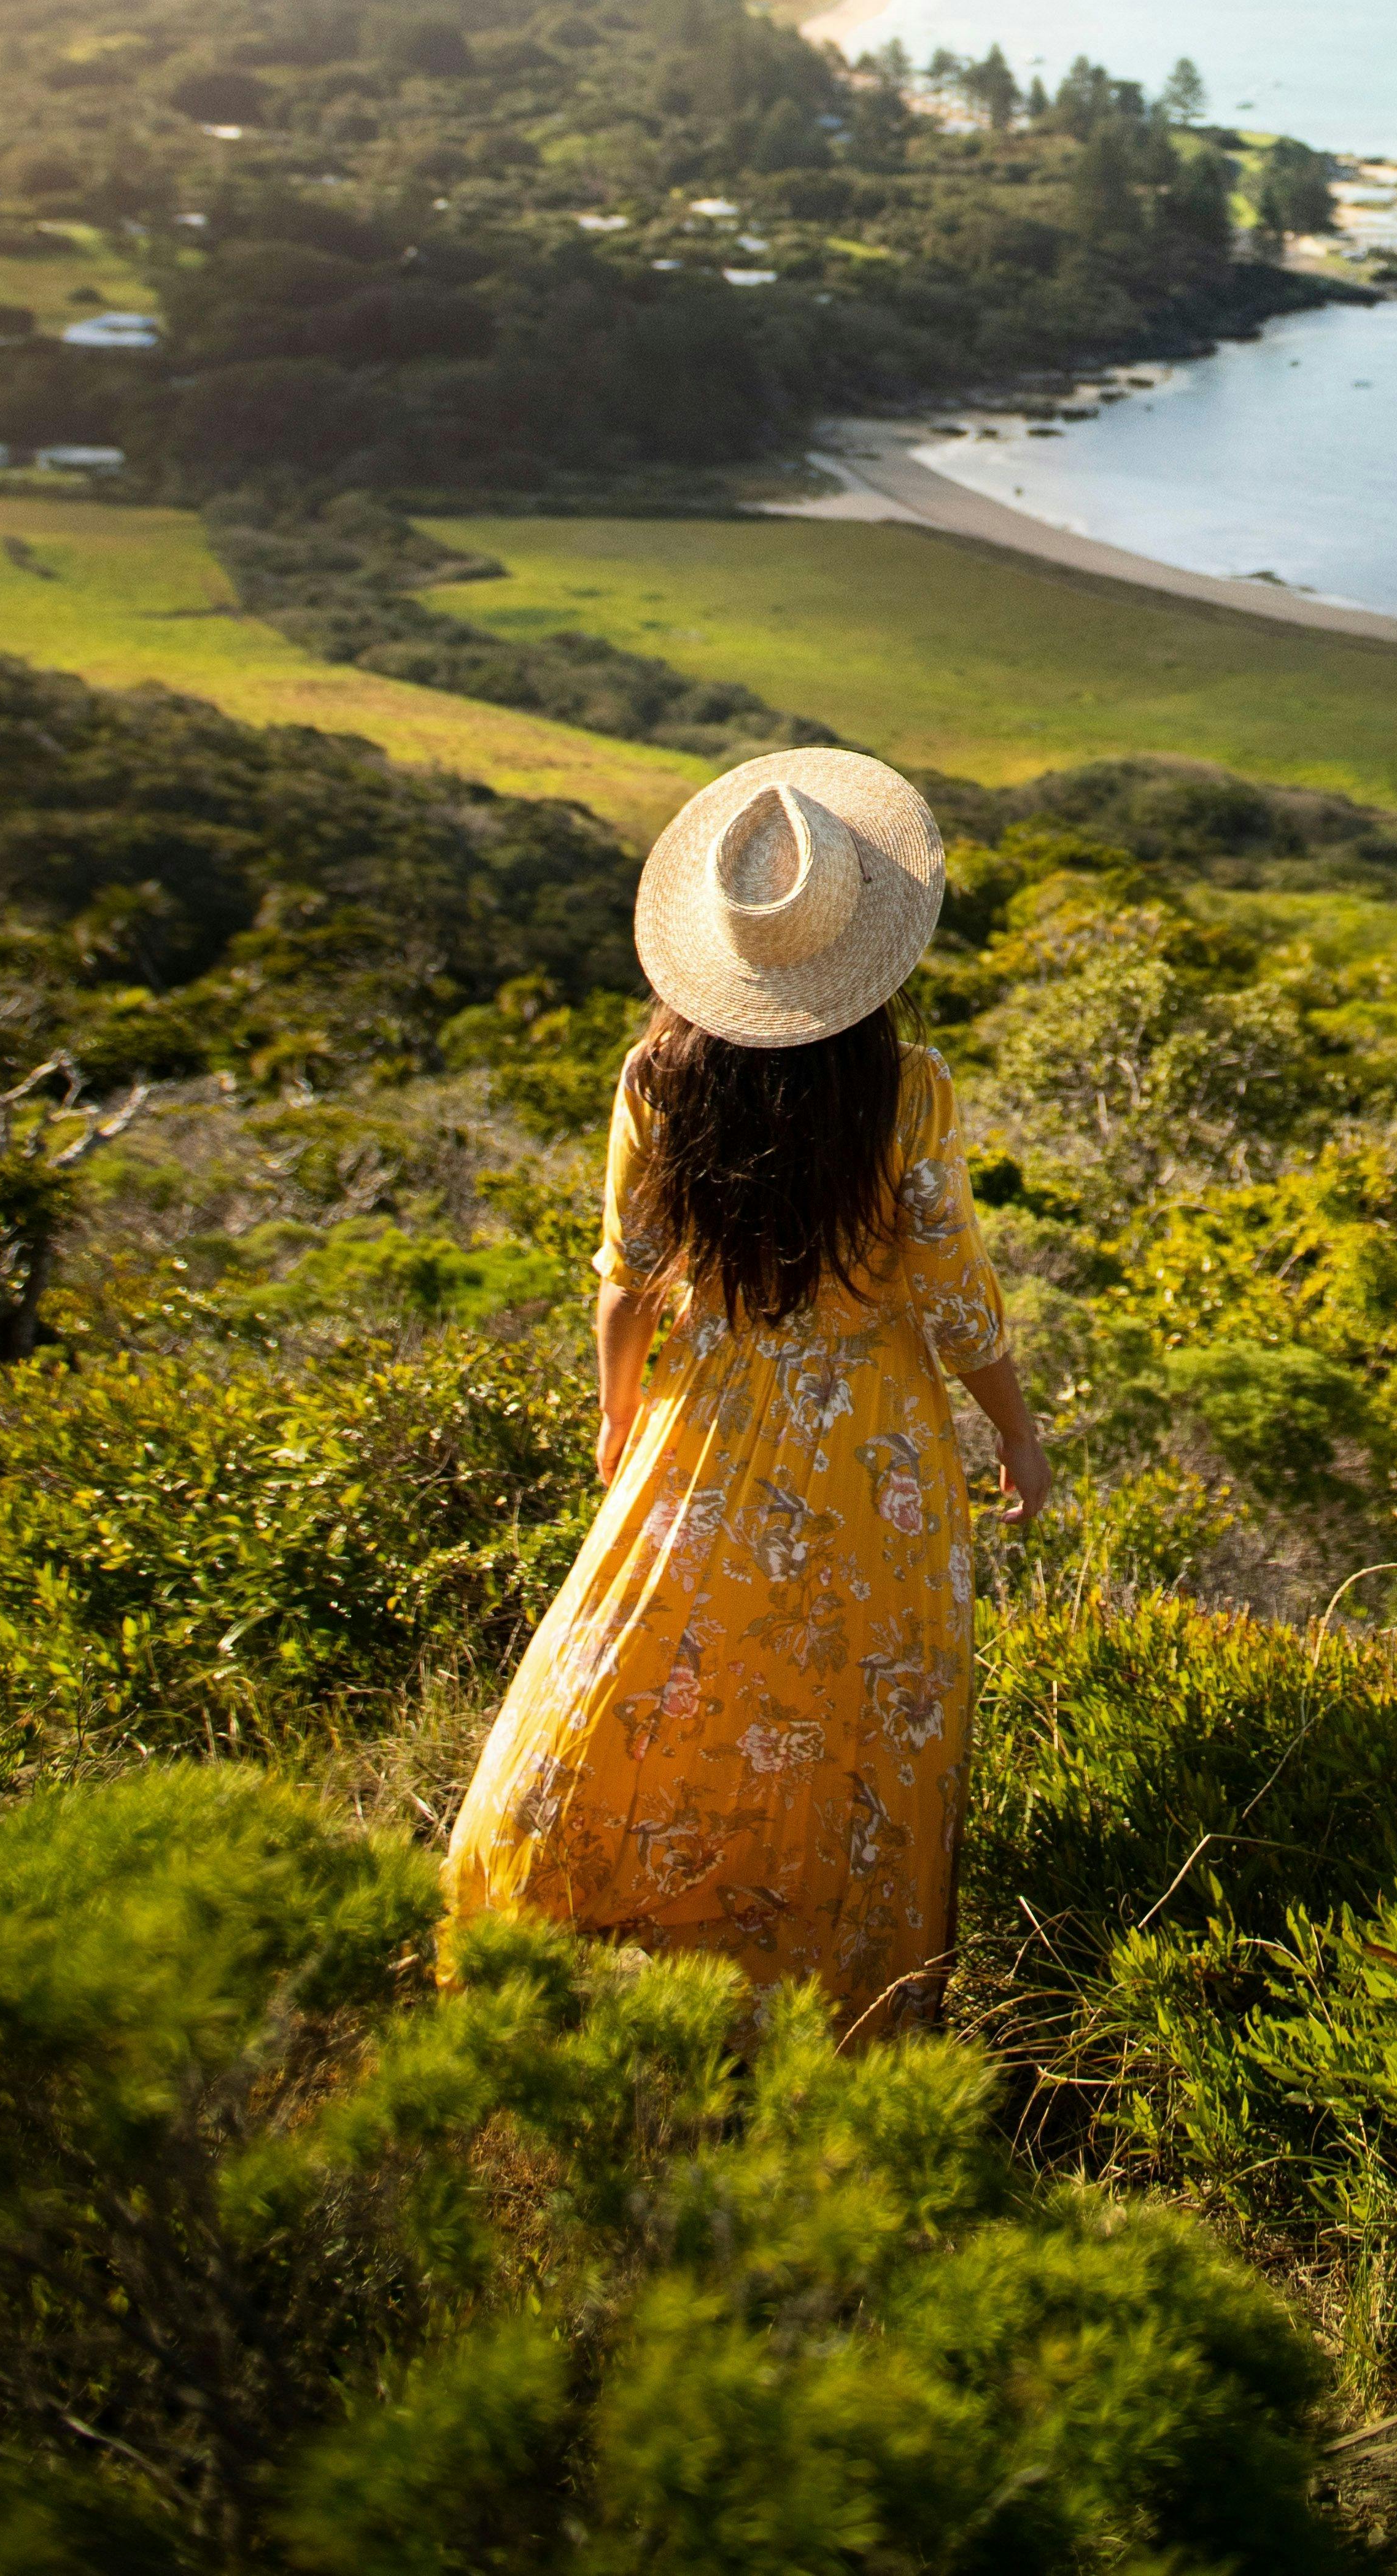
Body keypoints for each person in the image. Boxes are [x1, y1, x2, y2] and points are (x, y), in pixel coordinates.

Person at [446, 745, 1051, 2035]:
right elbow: (952, 1294)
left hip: (704, 1423)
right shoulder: (909, 1089)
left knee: (655, 1674)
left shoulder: (658, 1079)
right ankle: (834, 2005)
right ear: (867, 946)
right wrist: (1016, 1432)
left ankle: (585, 1941)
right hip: (876, 1456)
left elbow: (627, 1278)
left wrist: (618, 1411)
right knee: (854, 1717)